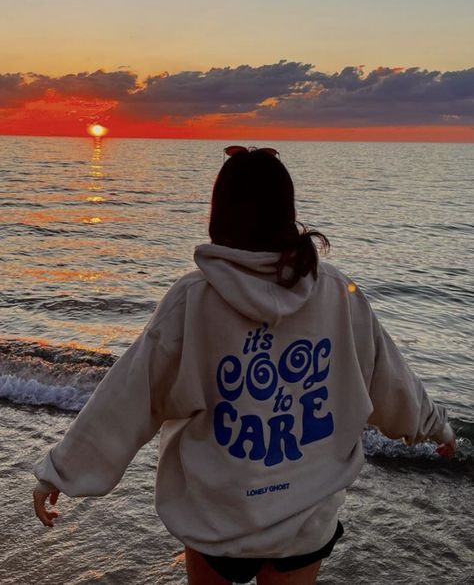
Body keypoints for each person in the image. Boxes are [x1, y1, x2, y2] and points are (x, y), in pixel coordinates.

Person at [33, 147, 456, 585]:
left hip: (217, 514)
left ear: (219, 216)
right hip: (304, 516)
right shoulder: (335, 290)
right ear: (287, 214)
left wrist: (62, 470)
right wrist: (434, 426)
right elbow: (389, 380)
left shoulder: (193, 298)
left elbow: (131, 394)